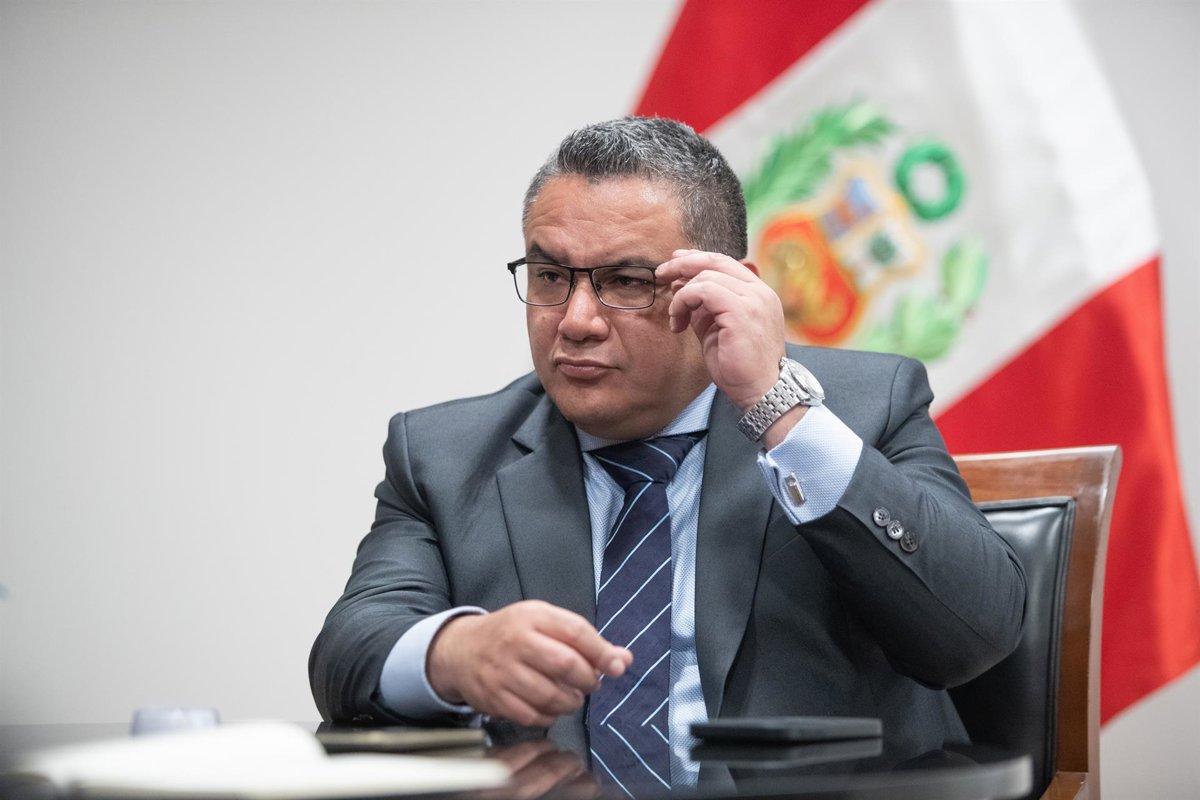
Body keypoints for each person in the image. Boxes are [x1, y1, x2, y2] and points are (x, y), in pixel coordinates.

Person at [309, 116, 1026, 793]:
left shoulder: (866, 407)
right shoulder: (445, 456)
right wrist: (454, 652)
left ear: (728, 291)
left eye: (627, 283)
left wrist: (777, 407)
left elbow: (976, 632)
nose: (576, 321)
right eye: (551, 276)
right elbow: (349, 651)